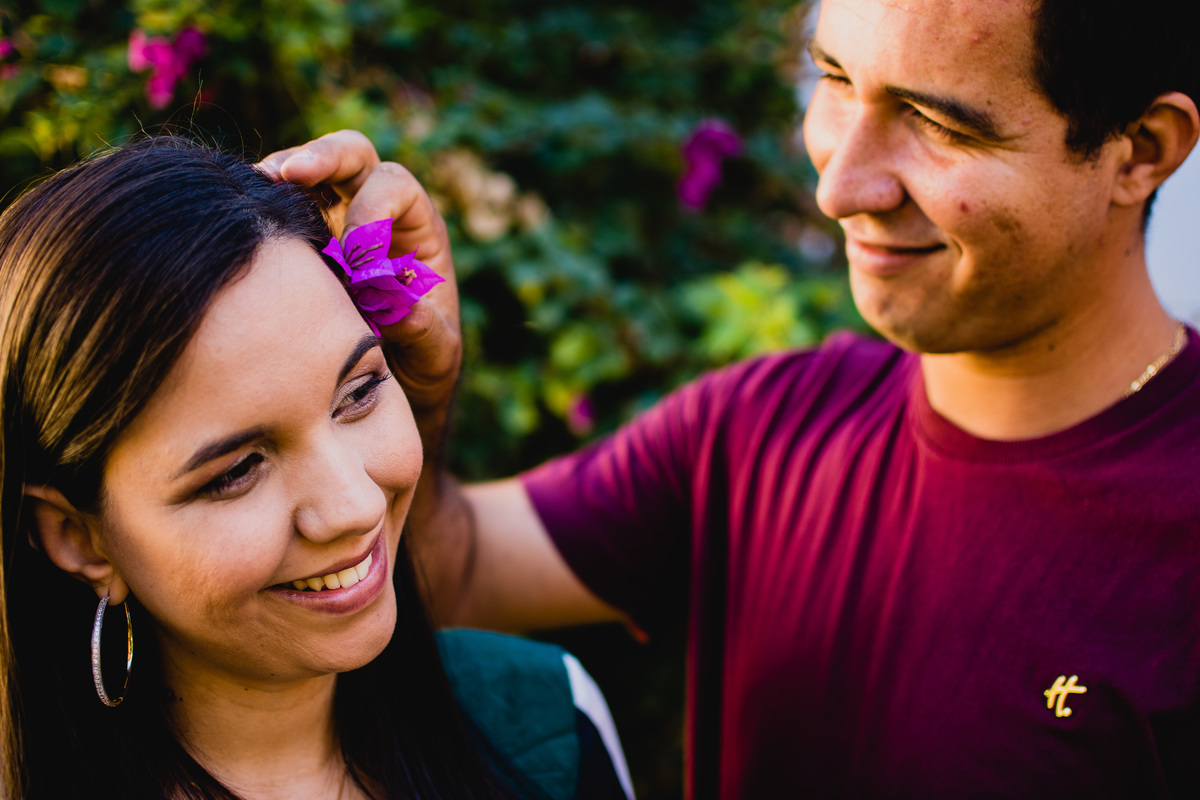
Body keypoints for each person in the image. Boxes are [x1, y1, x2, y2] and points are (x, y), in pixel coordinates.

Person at [271, 0, 1200, 796]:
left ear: (1140, 152)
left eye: (940, 125)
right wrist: (414, 388)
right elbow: (457, 569)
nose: (839, 185)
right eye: (835, 79)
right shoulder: (766, 426)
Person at [0, 135, 634, 800]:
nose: (354, 505)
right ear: (80, 536)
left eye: (358, 393)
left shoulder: (546, 727)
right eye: (237, 471)